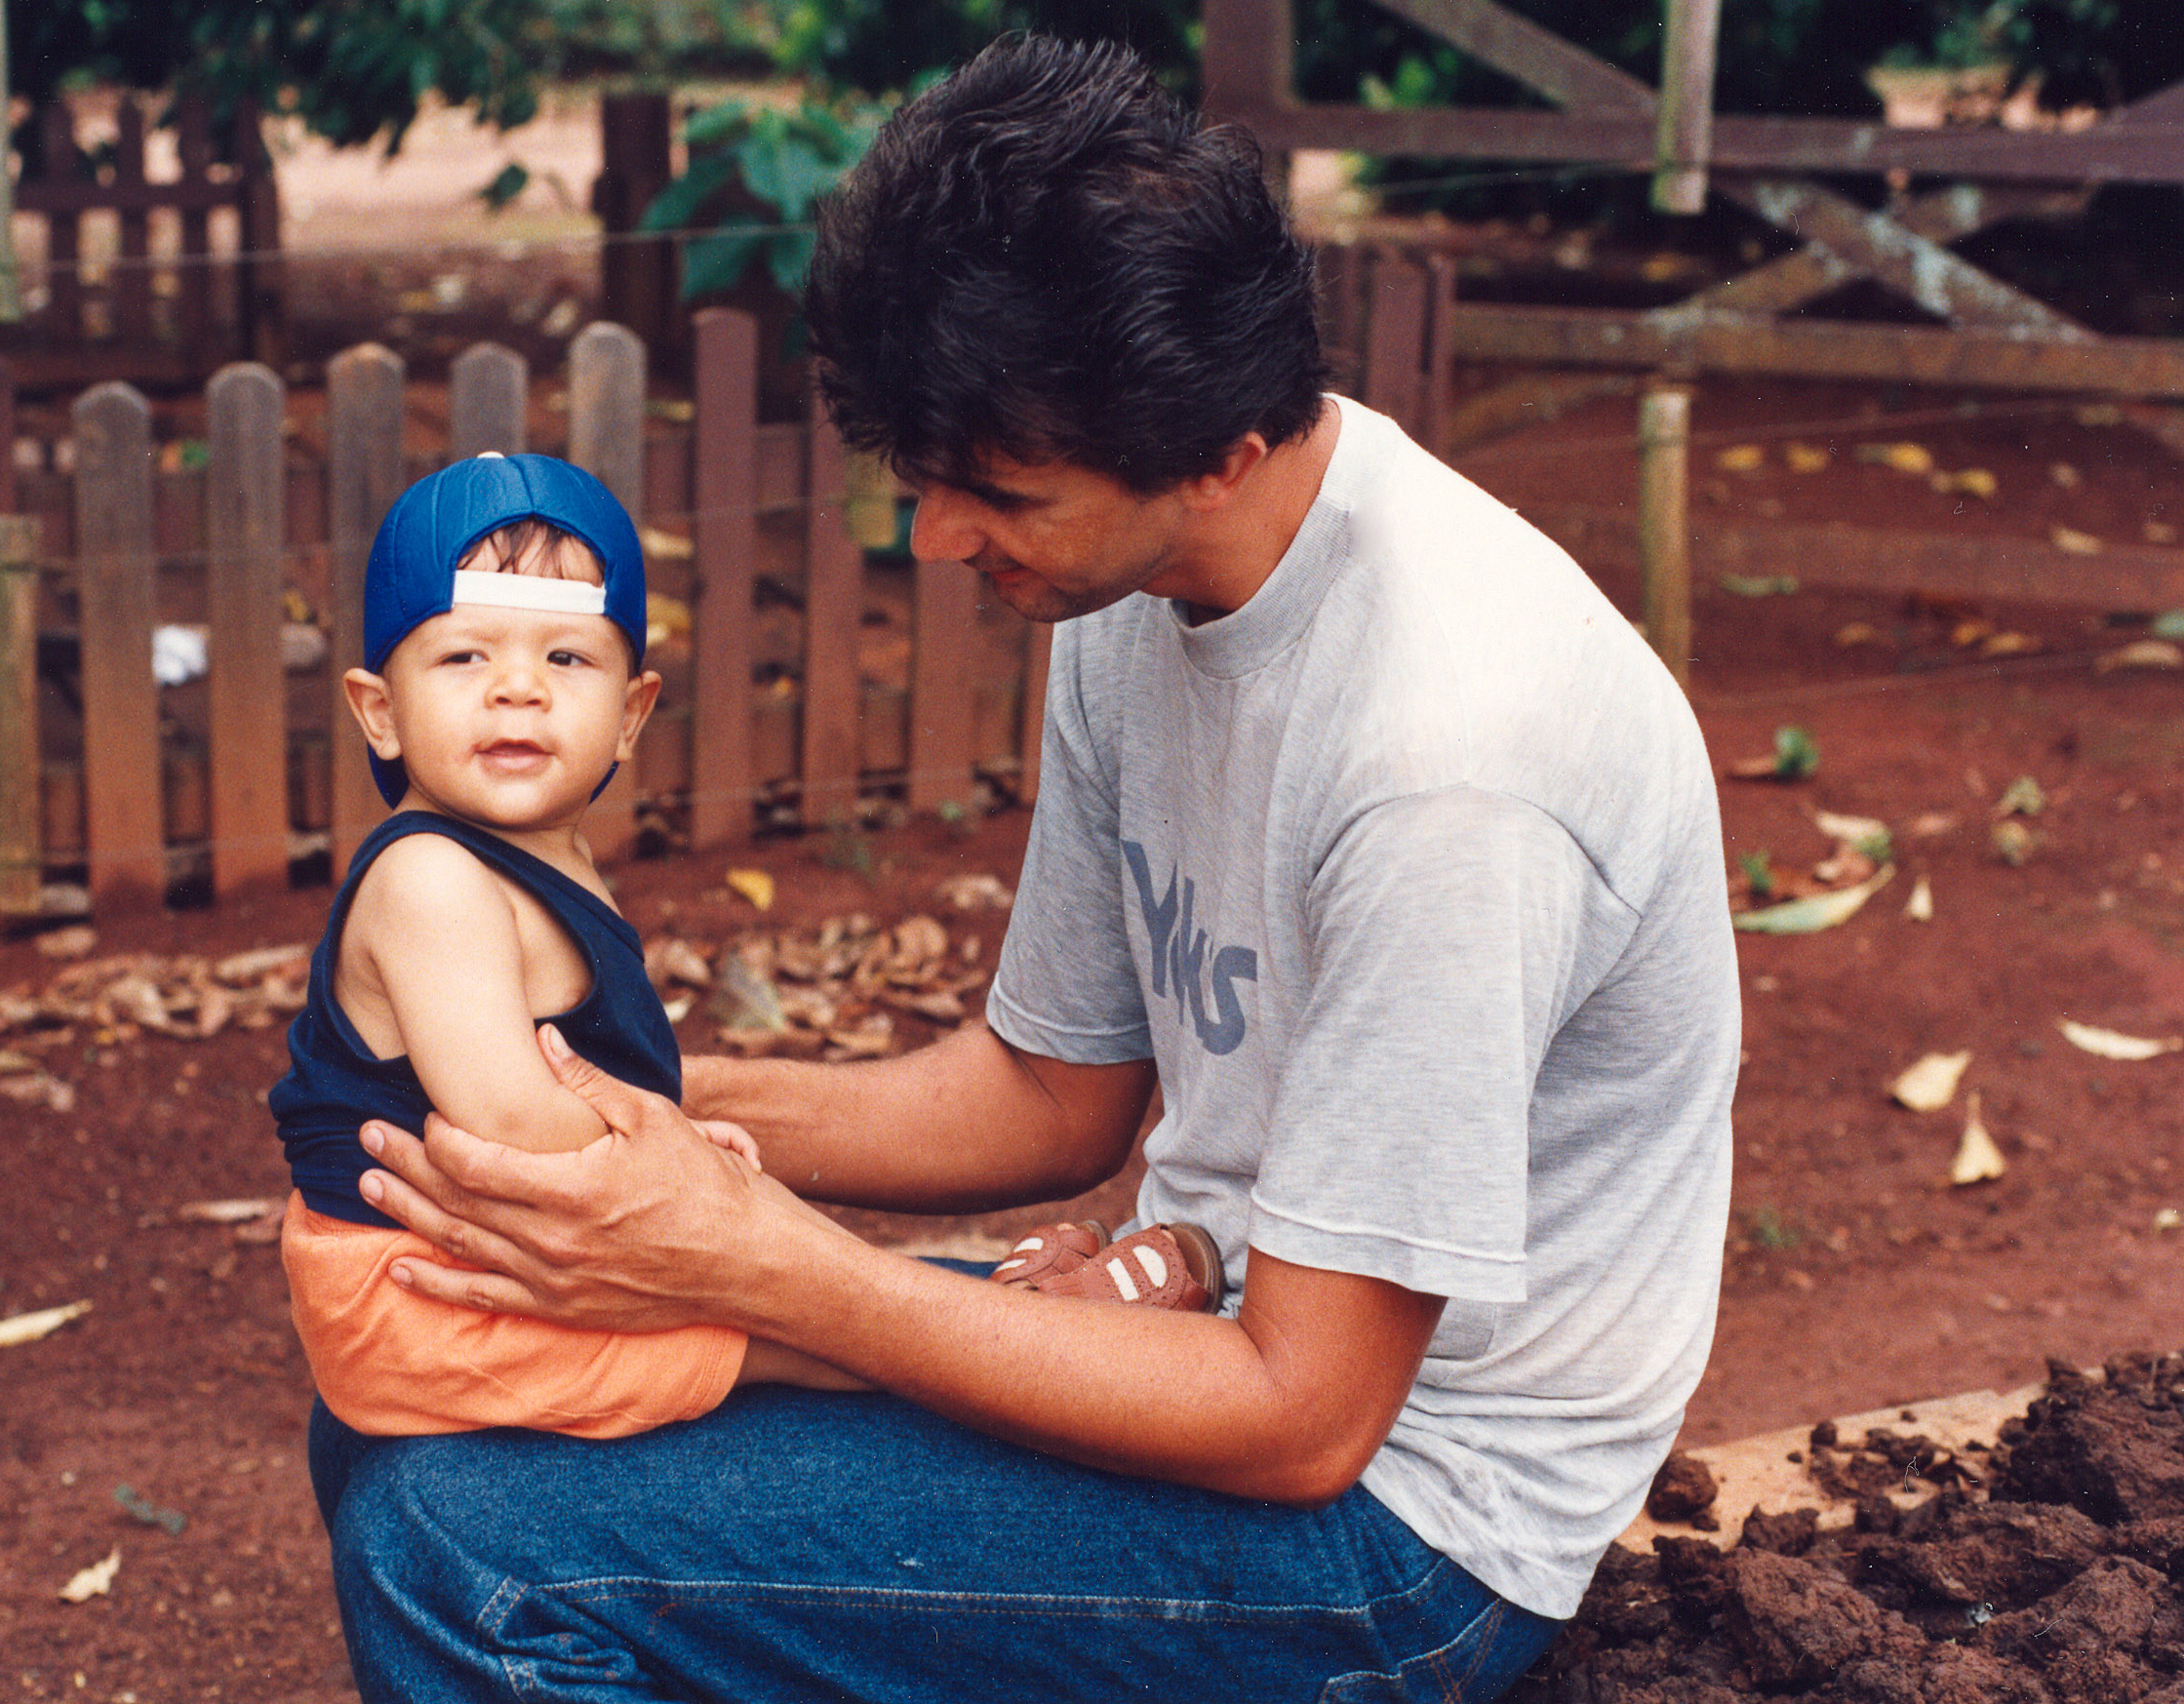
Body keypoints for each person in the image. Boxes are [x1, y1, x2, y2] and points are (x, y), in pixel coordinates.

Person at [315, 33, 1739, 1704]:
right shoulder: (1144, 590)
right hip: (1217, 1322)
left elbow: (1305, 1417)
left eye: (994, 490)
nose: (933, 535)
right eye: (921, 474)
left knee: (462, 1547)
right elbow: (1048, 1096)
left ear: (1219, 446)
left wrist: (767, 1263)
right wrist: (579, 1121)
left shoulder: (1448, 769)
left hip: (1402, 1527)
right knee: (430, 1383)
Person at [271, 451, 1217, 1443]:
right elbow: (505, 1115)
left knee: (767, 1269)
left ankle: (990, 1311)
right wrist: (679, 1161)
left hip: (485, 1267)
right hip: (425, 1300)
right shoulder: (429, 880)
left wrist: (689, 1164)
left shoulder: (534, 862)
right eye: (466, 657)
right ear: (379, 711)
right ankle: (1038, 1342)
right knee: (783, 1324)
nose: (519, 690)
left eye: (566, 659)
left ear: (631, 715)